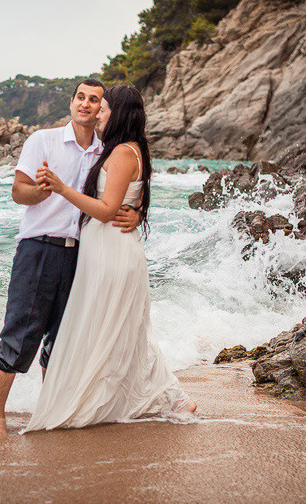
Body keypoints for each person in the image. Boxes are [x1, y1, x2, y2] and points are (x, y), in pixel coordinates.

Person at [23, 84, 196, 432]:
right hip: (111, 248)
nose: (98, 111)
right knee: (123, 331)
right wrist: (139, 211)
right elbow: (134, 196)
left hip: (111, 249)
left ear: (118, 113)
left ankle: (167, 397)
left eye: (104, 107)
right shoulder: (125, 150)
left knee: (114, 329)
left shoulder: (121, 154)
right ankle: (169, 398)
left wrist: (61, 188)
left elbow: (105, 211)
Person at [0, 79, 141, 438]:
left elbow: (130, 187)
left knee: (63, 340)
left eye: (95, 101)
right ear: (71, 102)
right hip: (39, 248)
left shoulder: (108, 150)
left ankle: (50, 412)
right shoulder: (43, 140)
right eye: (80, 98)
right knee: (20, 336)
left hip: (84, 256)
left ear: (104, 109)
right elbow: (17, 192)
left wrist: (138, 212)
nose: (86, 105)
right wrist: (40, 191)